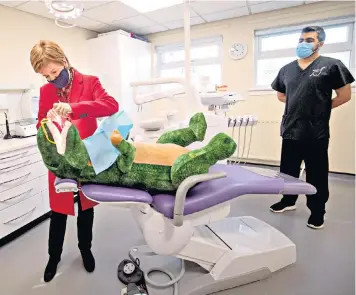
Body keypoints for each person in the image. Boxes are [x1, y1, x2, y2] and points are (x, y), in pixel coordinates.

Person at [30, 40, 119, 282]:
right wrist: (46, 120)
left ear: (64, 61)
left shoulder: (90, 82)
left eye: (55, 72)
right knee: (58, 212)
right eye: (46, 76)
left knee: (86, 209)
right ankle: (53, 257)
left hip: (86, 158)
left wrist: (74, 108)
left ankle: (85, 249)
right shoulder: (46, 92)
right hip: (60, 162)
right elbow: (39, 123)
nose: (51, 79)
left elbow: (111, 106)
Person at [270, 26, 354, 229]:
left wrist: (321, 110)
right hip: (290, 129)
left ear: (320, 43)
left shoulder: (332, 65)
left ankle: (317, 211)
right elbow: (281, 94)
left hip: (316, 132)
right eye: (300, 39)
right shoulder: (287, 69)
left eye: (309, 40)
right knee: (288, 171)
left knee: (316, 172)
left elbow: (345, 95)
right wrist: (297, 106)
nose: (303, 43)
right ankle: (288, 201)